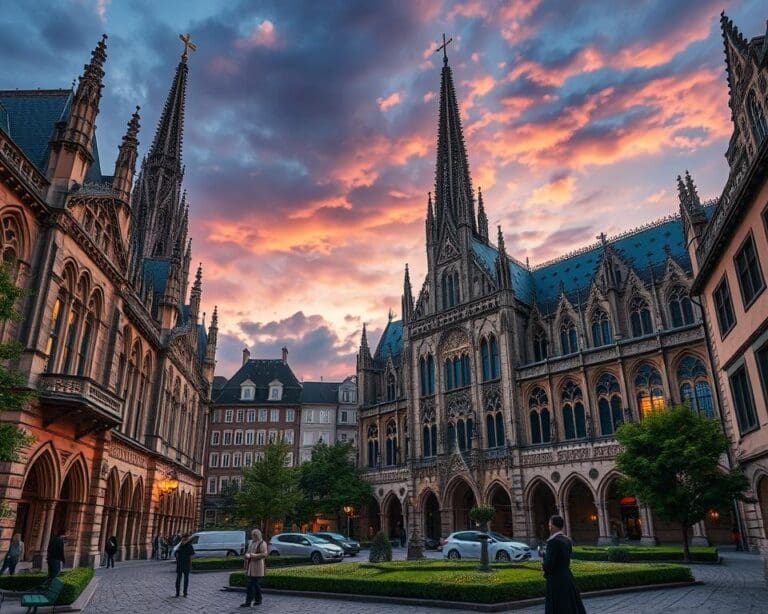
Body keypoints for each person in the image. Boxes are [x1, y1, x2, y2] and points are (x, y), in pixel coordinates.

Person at [542, 515, 586, 614]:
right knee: (570, 605)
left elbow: (549, 564)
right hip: (568, 577)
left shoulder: (553, 542)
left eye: (549, 525)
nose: (549, 527)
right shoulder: (567, 540)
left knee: (559, 607)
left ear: (553, 526)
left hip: (556, 581)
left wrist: (543, 565)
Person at [241, 529, 268, 608]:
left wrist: (253, 555)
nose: (253, 536)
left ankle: (249, 602)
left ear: (257, 535)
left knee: (251, 584)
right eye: (252, 535)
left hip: (257, 566)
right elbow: (248, 552)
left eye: (254, 535)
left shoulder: (262, 543)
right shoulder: (251, 542)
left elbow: (264, 554)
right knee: (255, 584)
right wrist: (246, 555)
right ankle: (258, 600)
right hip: (250, 565)